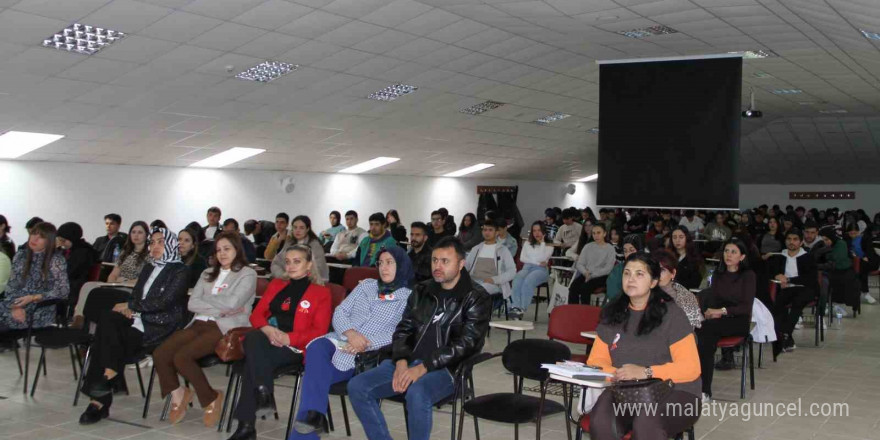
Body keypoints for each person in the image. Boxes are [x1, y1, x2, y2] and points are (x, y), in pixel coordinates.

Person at [348, 237, 491, 440]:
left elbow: (467, 344)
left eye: (445, 261)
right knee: (358, 386)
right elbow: (403, 330)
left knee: (417, 392)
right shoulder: (422, 290)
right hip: (408, 362)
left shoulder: (476, 297)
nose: (437, 266)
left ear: (461, 264)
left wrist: (423, 367)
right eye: (434, 260)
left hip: (447, 369)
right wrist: (400, 362)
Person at [290, 247, 414, 438]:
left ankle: (312, 418)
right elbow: (341, 311)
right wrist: (350, 334)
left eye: (390, 263)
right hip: (340, 339)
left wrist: (363, 343)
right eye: (380, 263)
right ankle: (314, 415)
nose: (384, 268)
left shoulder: (408, 297)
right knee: (316, 346)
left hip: (364, 354)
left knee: (313, 379)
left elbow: (398, 332)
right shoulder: (366, 286)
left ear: (402, 265)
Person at [78, 228, 189, 424]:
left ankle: (99, 400)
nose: (155, 246)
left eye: (160, 242)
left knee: (106, 340)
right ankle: (110, 373)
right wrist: (131, 308)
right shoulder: (148, 267)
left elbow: (163, 303)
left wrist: (131, 306)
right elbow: (137, 294)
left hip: (158, 326)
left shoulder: (180, 270)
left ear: (171, 245)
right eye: (152, 242)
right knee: (108, 319)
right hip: (138, 318)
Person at [586, 253, 701, 440]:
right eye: (627, 273)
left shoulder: (673, 315)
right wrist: (616, 374)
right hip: (626, 388)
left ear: (654, 282)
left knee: (647, 422)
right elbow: (596, 361)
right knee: (601, 421)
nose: (631, 279)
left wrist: (645, 372)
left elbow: (691, 368)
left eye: (639, 274)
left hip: (677, 390)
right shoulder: (612, 314)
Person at [226, 245, 331, 440]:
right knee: (253, 337)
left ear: (309, 265)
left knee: (252, 362)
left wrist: (288, 338)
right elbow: (257, 315)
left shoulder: (321, 293)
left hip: (296, 347)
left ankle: (247, 425)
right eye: (288, 261)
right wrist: (267, 329)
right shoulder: (277, 284)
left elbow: (319, 331)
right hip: (267, 340)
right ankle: (262, 392)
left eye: (297, 261)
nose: (290, 266)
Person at [153, 232, 257, 426]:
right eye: (218, 250)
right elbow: (192, 303)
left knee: (182, 357)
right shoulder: (207, 273)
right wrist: (222, 306)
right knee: (160, 354)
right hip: (199, 322)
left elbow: (233, 302)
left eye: (227, 249)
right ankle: (179, 394)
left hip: (224, 327)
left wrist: (213, 302)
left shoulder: (247, 274)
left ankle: (210, 398)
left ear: (237, 250)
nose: (222, 254)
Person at [694, 238, 755, 401]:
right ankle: (700, 386)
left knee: (706, 332)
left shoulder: (748, 276)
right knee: (700, 331)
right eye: (726, 251)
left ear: (742, 257)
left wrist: (721, 311)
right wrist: (710, 312)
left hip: (738, 320)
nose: (728, 255)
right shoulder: (719, 274)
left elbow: (746, 307)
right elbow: (713, 299)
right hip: (717, 320)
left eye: (733, 252)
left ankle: (704, 390)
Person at [0, 222, 69, 331]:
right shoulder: (21, 255)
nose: (34, 239)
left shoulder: (56, 260)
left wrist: (33, 298)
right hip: (15, 305)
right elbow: (11, 286)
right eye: (33, 234)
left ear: (49, 241)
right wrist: (15, 307)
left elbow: (63, 291)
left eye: (41, 237)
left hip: (40, 307)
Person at [768, 228, 818, 355]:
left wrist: (789, 279)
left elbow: (810, 278)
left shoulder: (808, 257)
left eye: (795, 239)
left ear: (801, 242)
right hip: (787, 288)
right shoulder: (780, 255)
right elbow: (771, 271)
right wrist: (777, 275)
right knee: (778, 304)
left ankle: (785, 333)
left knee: (798, 301)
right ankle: (787, 338)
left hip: (805, 288)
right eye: (789, 239)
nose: (792, 242)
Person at [509, 221, 553, 319]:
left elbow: (542, 257)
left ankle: (522, 308)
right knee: (517, 279)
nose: (537, 233)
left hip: (541, 270)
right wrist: (537, 262)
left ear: (544, 231)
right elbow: (522, 258)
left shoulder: (549, 245)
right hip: (527, 267)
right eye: (534, 231)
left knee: (529, 280)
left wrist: (542, 243)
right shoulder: (527, 243)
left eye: (539, 230)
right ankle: (516, 306)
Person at [464, 219, 516, 302]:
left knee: (477, 292)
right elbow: (465, 267)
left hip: (493, 284)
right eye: (485, 230)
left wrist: (495, 279)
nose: (487, 233)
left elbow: (512, 271)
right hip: (473, 282)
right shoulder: (476, 249)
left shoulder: (503, 250)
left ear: (497, 232)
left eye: (490, 230)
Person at [652, 249, 704, 328]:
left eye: (662, 270)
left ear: (673, 273)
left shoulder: (685, 297)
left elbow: (689, 329)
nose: (657, 274)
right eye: (655, 270)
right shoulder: (643, 291)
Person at [56, 222, 98, 318]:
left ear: (72, 238)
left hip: (77, 283)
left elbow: (70, 271)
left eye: (63, 241)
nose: (62, 244)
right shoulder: (66, 249)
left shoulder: (83, 251)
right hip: (67, 281)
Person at [568, 224, 616, 304]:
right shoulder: (588, 246)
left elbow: (608, 269)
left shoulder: (610, 249)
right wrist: (585, 273)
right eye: (594, 233)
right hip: (586, 274)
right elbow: (579, 264)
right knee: (573, 287)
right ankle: (573, 311)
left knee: (585, 288)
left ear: (604, 233)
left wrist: (591, 275)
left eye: (598, 233)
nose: (596, 235)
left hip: (602, 276)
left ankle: (585, 313)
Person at [819, 226, 859, 316]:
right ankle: (826, 304)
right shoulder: (825, 245)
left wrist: (825, 254)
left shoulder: (841, 243)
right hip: (831, 269)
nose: (825, 242)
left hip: (845, 269)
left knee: (840, 280)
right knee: (823, 280)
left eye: (827, 239)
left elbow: (837, 258)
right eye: (823, 240)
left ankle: (838, 305)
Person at [605, 234, 643, 304]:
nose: (628, 254)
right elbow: (612, 292)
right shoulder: (619, 269)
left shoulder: (647, 268)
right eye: (625, 251)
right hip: (619, 306)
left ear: (640, 250)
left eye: (631, 250)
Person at [667, 226, 704, 290]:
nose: (677, 240)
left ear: (687, 238)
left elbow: (695, 282)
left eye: (681, 237)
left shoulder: (694, 257)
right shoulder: (667, 256)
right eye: (674, 237)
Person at [856, 225, 878, 304]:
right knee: (863, 266)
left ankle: (865, 292)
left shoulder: (866, 238)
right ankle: (865, 292)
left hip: (873, 259)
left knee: (863, 266)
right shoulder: (865, 237)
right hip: (866, 259)